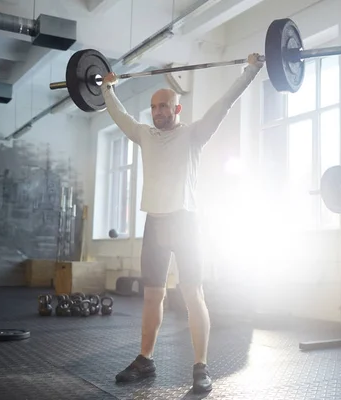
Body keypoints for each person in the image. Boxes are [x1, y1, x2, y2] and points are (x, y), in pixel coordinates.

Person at [100, 53, 264, 393]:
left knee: (193, 295)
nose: (159, 111)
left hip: (186, 224)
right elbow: (118, 114)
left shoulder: (194, 135)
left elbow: (225, 102)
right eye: (154, 106)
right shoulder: (143, 134)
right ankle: (145, 359)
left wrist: (250, 70)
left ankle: (201, 366)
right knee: (152, 297)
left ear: (177, 109)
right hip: (155, 226)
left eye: (165, 106)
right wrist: (106, 87)